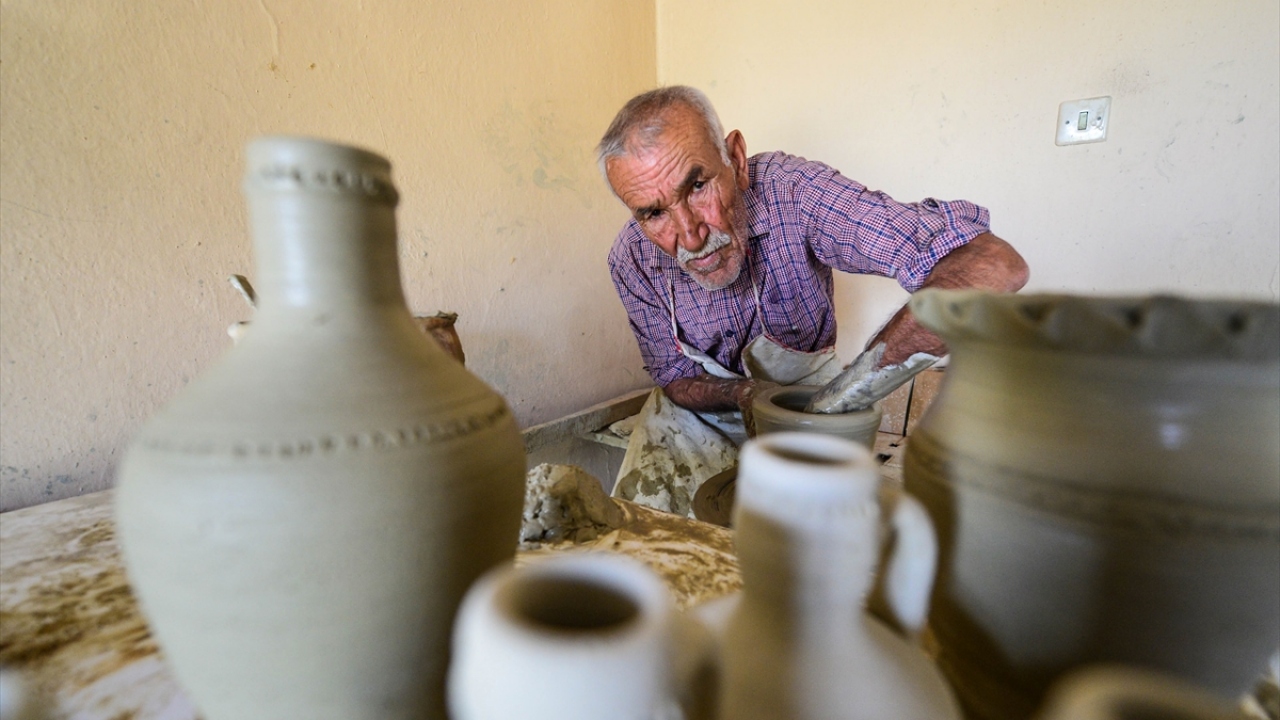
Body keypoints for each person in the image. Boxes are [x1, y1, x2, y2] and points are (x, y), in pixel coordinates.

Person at [597, 86, 1028, 516]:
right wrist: (749, 393)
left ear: (736, 160)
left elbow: (991, 265)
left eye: (697, 186)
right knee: (652, 543)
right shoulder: (632, 259)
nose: (690, 235)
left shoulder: (794, 192)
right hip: (701, 418)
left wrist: (854, 385)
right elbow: (674, 377)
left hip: (812, 409)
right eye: (654, 213)